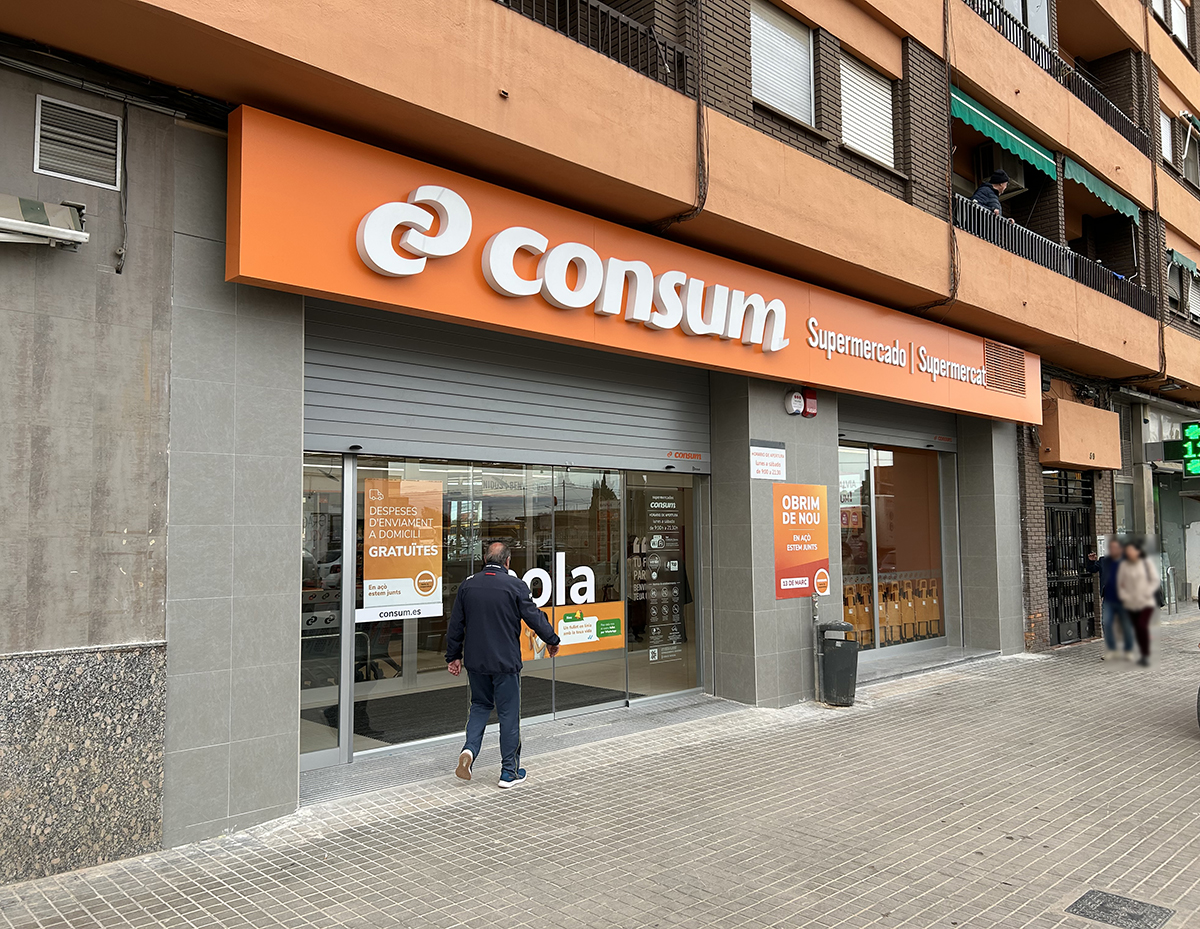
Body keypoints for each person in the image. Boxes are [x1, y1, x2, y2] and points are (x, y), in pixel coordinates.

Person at [445, 542, 561, 788]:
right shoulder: (515, 586)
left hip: (476, 662)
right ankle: (509, 772)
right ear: (507, 562)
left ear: (485, 560)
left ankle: (469, 750)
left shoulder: (468, 585)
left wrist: (453, 656)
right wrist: (552, 640)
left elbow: (455, 625)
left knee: (479, 706)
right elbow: (534, 617)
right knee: (508, 714)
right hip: (505, 662)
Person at [1087, 538, 1134, 660]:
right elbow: (1092, 569)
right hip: (1108, 598)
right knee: (1106, 623)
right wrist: (1091, 561)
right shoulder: (1103, 561)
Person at [1117, 540, 1160, 667]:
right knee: (1134, 628)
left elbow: (1155, 580)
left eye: (1132, 550)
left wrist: (1147, 592)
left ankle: (1145, 654)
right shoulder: (1124, 566)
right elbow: (1120, 584)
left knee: (1141, 626)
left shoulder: (1146, 564)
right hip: (1130, 603)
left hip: (1145, 602)